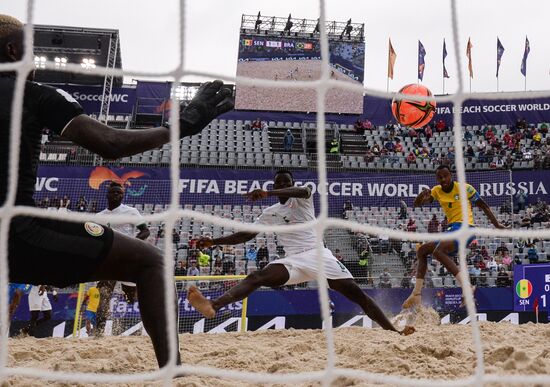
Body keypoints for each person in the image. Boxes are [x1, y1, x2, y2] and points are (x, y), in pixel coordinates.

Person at [1, 14, 234, 368]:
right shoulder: (32, 95)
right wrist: (181, 126)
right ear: (13, 50)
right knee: (152, 262)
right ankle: (173, 370)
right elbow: (110, 143)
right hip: (14, 232)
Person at [187, 170, 413, 335]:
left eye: (286, 182)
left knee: (358, 296)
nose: (283, 185)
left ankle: (393, 330)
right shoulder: (270, 212)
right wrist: (213, 241)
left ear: (291, 184)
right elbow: (246, 235)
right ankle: (213, 305)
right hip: (293, 260)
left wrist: (268, 191)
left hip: (318, 255)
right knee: (257, 276)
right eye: (279, 182)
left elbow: (302, 189)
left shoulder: (304, 198)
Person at [402, 165, 507, 309]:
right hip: (452, 229)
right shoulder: (436, 191)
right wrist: (421, 197)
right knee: (422, 251)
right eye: (440, 177)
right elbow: (416, 204)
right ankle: (416, 294)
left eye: (445, 176)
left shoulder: (465, 188)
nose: (443, 179)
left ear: (451, 175)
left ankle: (467, 287)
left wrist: (496, 224)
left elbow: (483, 206)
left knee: (438, 252)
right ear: (436, 179)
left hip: (466, 228)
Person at [95, 181, 151, 333]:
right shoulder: (98, 217)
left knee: (131, 298)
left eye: (119, 193)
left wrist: (131, 245)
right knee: (104, 294)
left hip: (127, 258)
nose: (116, 195)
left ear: (123, 195)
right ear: (107, 194)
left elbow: (145, 231)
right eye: (113, 192)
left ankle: (152, 318)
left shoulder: (131, 212)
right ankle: (98, 332)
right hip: (109, 260)